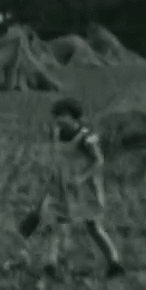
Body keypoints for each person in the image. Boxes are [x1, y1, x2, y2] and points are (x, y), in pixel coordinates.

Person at [42, 98, 125, 280]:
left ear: (75, 118)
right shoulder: (57, 133)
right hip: (64, 185)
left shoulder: (86, 137)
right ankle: (50, 264)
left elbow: (98, 161)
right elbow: (58, 158)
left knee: (93, 226)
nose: (59, 120)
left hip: (86, 187)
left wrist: (81, 178)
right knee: (57, 224)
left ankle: (114, 262)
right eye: (57, 116)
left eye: (63, 116)